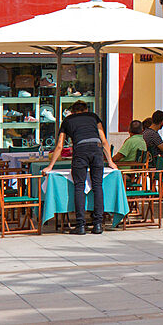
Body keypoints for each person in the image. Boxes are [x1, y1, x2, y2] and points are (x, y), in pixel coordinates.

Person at [43, 101, 118, 235]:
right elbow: (104, 140)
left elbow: (60, 145)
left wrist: (50, 166)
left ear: (72, 111)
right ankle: (98, 225)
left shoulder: (68, 120)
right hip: (96, 150)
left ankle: (81, 225)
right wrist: (110, 161)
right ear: (86, 109)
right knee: (97, 186)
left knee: (79, 186)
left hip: (80, 151)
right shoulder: (93, 117)